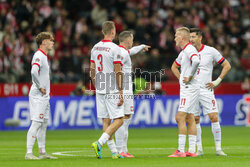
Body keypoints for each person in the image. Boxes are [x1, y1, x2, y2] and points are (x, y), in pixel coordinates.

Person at [189, 28, 231, 156]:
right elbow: (176, 66)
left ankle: (218, 149)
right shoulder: (187, 52)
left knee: (213, 117)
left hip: (206, 90)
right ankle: (199, 149)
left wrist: (217, 81)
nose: (191, 40)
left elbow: (227, 65)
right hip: (192, 90)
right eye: (190, 37)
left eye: (193, 37)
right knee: (195, 119)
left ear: (200, 38)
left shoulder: (210, 51)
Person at [90, 21, 124, 159]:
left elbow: (91, 70)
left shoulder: (95, 48)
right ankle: (99, 142)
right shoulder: (115, 48)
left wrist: (96, 85)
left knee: (106, 120)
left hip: (100, 87)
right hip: (111, 87)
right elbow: (118, 71)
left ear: (103, 32)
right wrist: (121, 92)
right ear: (113, 32)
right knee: (119, 120)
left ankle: (114, 152)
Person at [114, 31, 150, 158]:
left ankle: (123, 149)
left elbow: (133, 51)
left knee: (126, 119)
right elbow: (117, 71)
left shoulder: (122, 51)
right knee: (122, 119)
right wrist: (121, 91)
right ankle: (120, 150)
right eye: (132, 39)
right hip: (124, 88)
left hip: (125, 88)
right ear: (128, 40)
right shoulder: (121, 53)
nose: (133, 41)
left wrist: (141, 46)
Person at [169, 27, 200, 157]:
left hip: (189, 89)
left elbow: (197, 61)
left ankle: (181, 151)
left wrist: (191, 76)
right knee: (190, 117)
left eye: (176, 36)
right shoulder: (183, 52)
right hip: (189, 87)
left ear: (182, 37)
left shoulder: (189, 49)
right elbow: (174, 66)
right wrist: (181, 78)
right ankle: (192, 151)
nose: (174, 38)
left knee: (179, 117)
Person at [25, 32, 57, 160]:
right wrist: (39, 86)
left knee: (43, 123)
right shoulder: (38, 55)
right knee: (37, 123)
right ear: (44, 42)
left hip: (44, 96)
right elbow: (33, 71)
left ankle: (42, 152)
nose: (53, 42)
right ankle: (28, 153)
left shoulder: (44, 56)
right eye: (51, 40)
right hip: (38, 94)